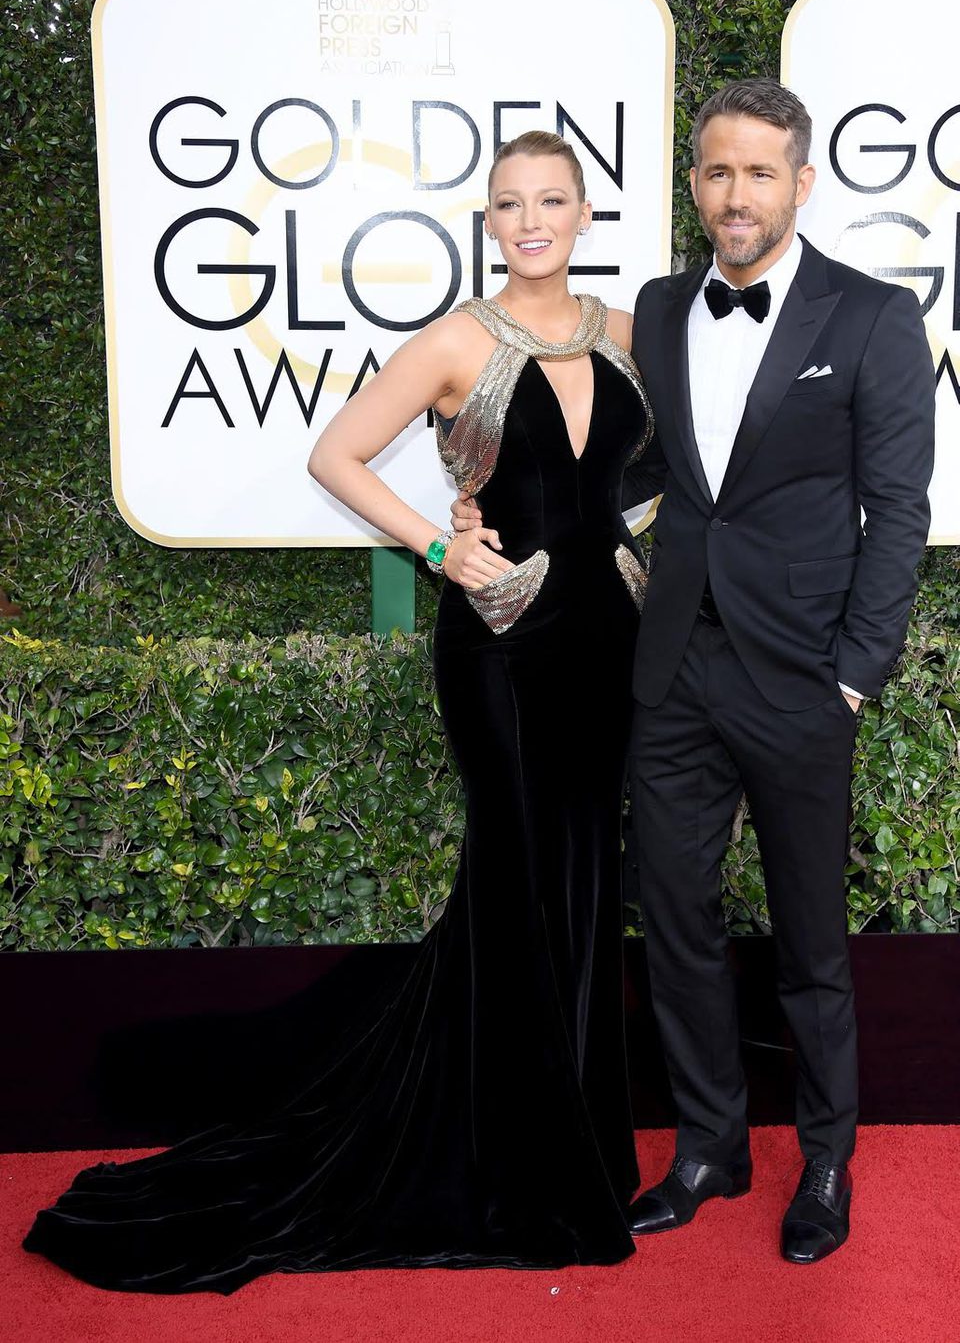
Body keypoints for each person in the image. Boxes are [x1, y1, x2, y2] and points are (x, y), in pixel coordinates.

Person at [22, 131, 653, 1292]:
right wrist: (438, 546)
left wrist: (635, 547)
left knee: (586, 884)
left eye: (551, 201)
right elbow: (337, 453)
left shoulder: (622, 334)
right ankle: (521, 1165)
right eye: (509, 204)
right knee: (517, 887)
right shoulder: (457, 341)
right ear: (489, 221)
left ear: (582, 214)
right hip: (502, 647)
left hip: (608, 653)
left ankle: (574, 1146)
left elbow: (654, 476)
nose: (530, 222)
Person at [457, 80, 936, 1265]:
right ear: (694, 186)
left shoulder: (872, 317)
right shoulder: (659, 311)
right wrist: (468, 496)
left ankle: (826, 1162)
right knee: (673, 917)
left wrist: (853, 678)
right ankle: (713, 1146)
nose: (737, 195)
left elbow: (901, 513)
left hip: (802, 681)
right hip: (671, 669)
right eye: (717, 173)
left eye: (760, 173)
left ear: (802, 183)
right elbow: (588, 441)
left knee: (813, 941)